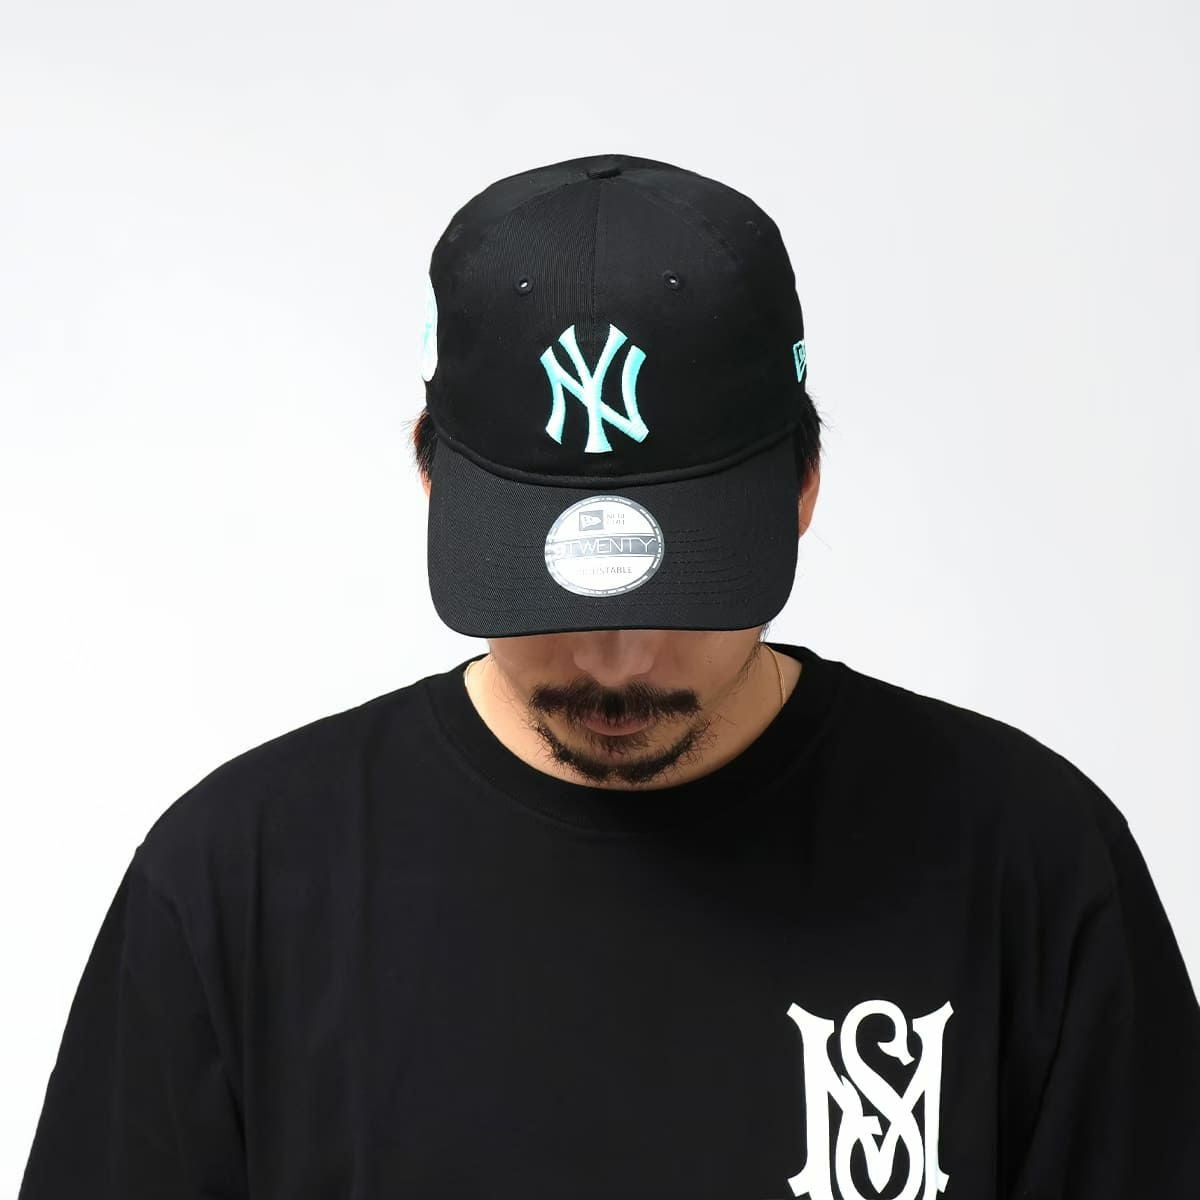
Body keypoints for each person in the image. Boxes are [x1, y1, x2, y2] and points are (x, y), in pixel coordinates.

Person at [18, 152, 1200, 1199]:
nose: (616, 660)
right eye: (547, 597)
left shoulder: (1032, 868)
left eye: (681, 588)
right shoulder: (236, 890)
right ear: (431, 480)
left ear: (802, 488)